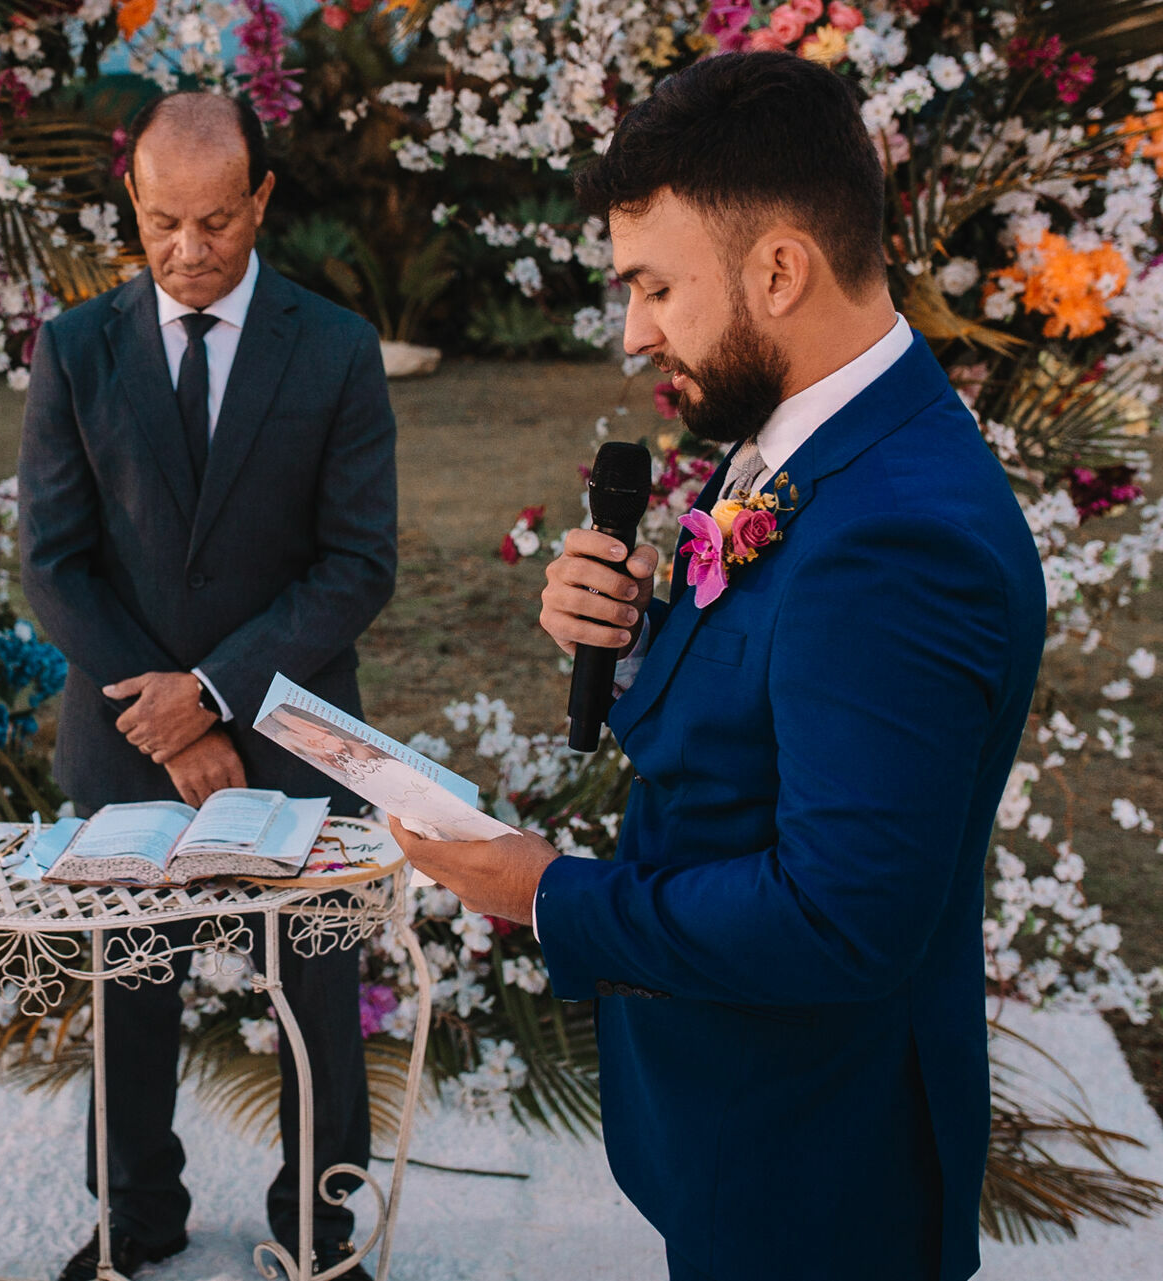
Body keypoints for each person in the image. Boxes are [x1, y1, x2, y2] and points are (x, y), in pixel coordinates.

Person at [387, 53, 1043, 1281]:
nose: (634, 331)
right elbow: (787, 696)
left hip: (821, 1169)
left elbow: (840, 920)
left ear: (779, 269)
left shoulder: (901, 535)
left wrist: (545, 893)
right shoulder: (813, 432)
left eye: (654, 287)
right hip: (748, 1122)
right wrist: (638, 647)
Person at [20, 92, 397, 1281]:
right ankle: (134, 1218)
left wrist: (217, 695)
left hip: (292, 730)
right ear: (132, 200)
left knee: (314, 999)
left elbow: (358, 564)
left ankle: (317, 1228)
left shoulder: (335, 349)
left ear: (264, 201)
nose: (189, 252)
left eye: (219, 223)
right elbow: (55, 563)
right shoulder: (73, 349)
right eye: (165, 221)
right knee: (128, 993)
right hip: (126, 736)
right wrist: (167, 716)